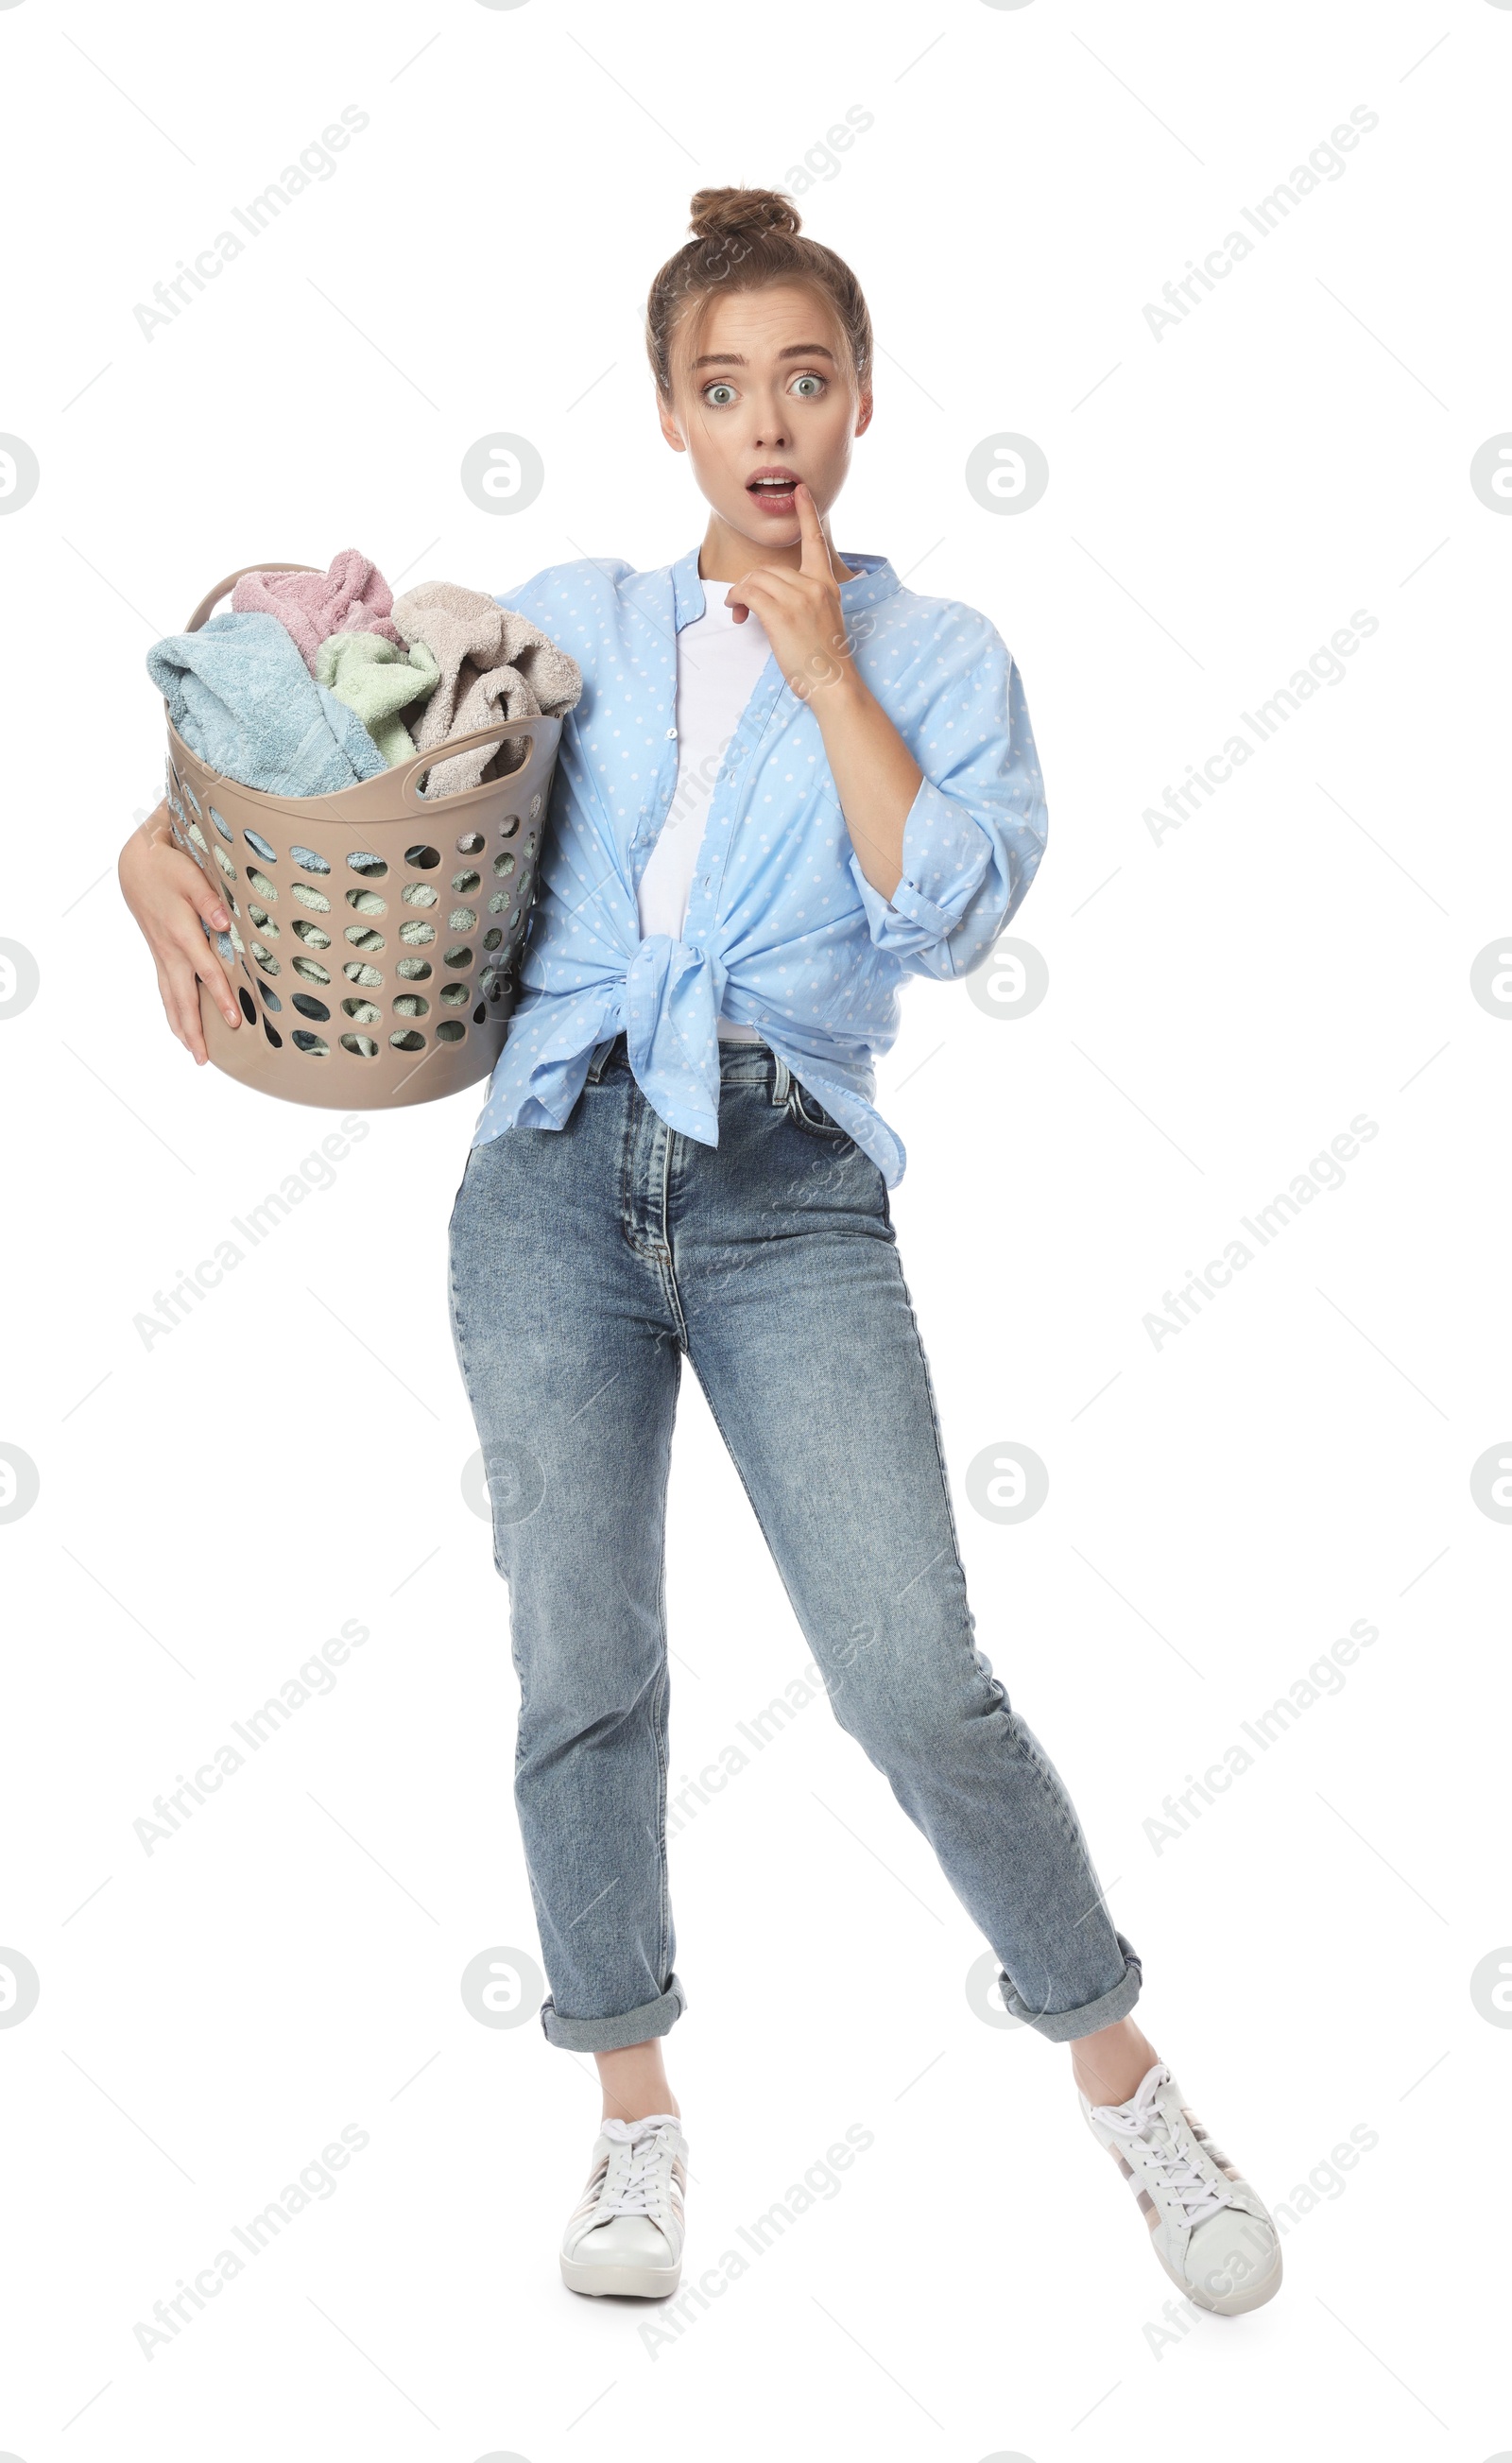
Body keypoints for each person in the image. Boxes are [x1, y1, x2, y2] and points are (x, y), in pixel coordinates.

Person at [119, 185, 1282, 2322]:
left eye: (804, 380)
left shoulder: (941, 658)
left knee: (908, 1673)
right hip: (552, 1174)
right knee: (582, 1668)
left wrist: (828, 667)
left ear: (857, 403)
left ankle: (1119, 2073)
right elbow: (310, 731)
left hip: (783, 1187)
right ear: (667, 412)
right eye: (722, 384)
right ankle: (631, 2115)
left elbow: (940, 903)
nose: (767, 421)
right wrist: (143, 839)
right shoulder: (561, 620)